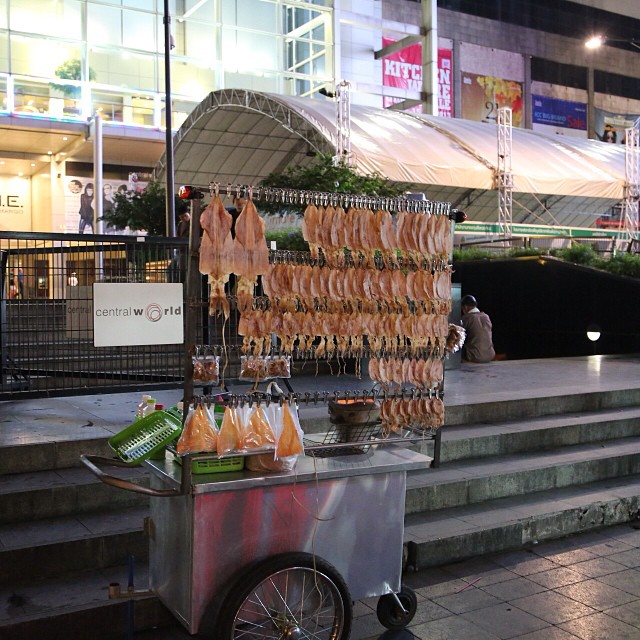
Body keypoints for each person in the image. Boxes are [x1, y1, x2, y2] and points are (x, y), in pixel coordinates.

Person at [460, 294, 495, 363]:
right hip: (490, 355)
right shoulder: (486, 316)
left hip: (474, 357)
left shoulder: (467, 318)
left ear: (465, 307)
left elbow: (457, 334)